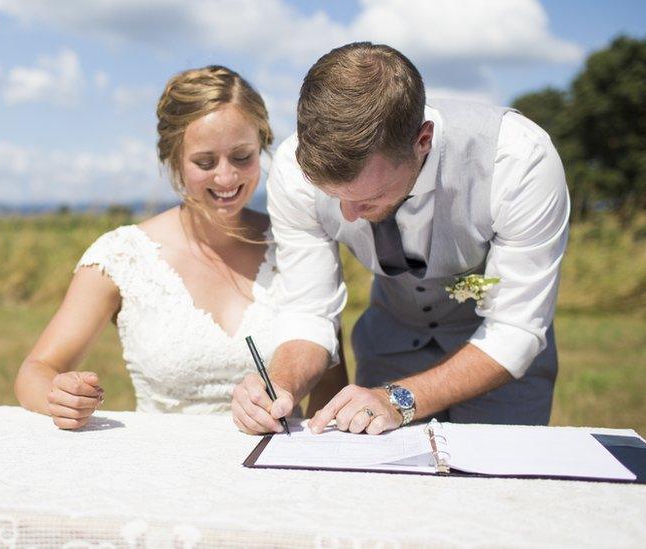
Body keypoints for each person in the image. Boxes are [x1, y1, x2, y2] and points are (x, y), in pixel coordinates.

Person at [231, 42, 570, 436]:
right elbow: (310, 309)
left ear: (422, 140)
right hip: (387, 348)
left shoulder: (518, 159)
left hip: (499, 366)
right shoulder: (292, 171)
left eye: (368, 197)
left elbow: (516, 328)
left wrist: (398, 400)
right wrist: (282, 385)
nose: (347, 215)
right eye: (334, 196)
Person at [15, 65, 347, 429]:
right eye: (205, 162)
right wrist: (60, 395)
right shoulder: (122, 256)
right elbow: (35, 371)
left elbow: (330, 389)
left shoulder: (301, 243)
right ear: (173, 160)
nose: (226, 177)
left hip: (271, 466)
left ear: (262, 146)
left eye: (242, 157)